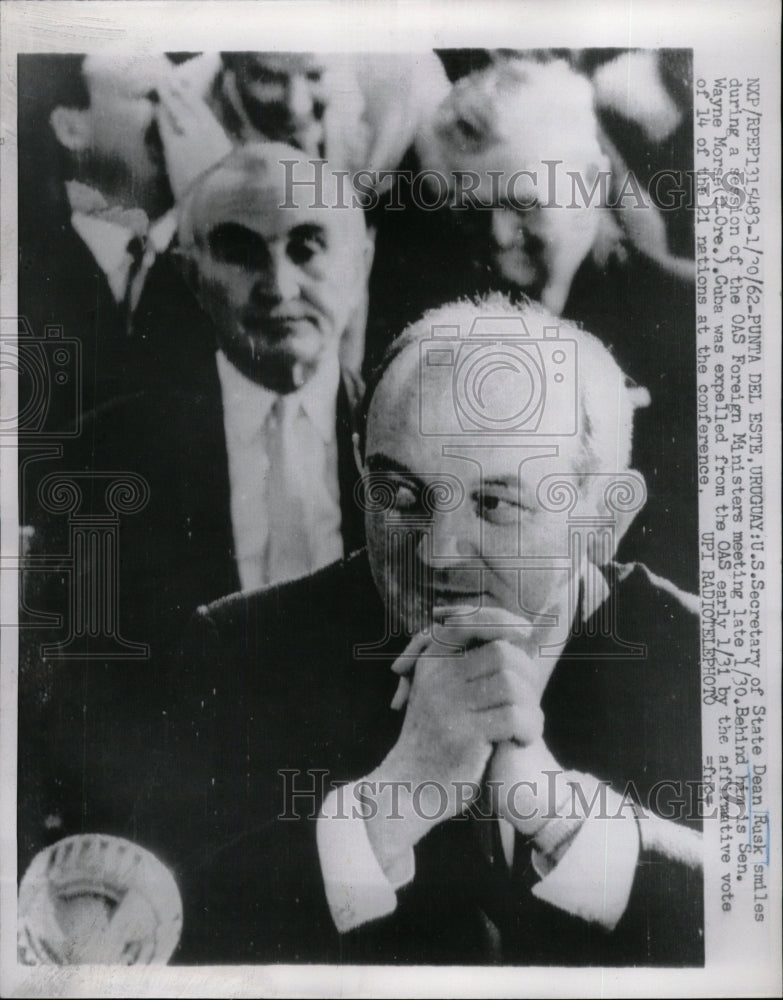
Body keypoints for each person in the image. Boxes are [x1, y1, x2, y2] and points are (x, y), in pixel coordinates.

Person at [153, 294, 703, 965]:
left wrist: (566, 819)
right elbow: (150, 943)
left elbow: (763, 933)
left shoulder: (708, 662)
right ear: (360, 468)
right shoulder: (241, 652)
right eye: (401, 496)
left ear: (604, 520)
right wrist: (391, 804)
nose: (438, 551)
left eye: (495, 503)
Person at [18, 144, 374, 874]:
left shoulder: (415, 440)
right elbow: (78, 702)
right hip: (186, 846)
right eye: (239, 252)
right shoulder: (103, 458)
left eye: (308, 246)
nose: (278, 287)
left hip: (381, 834)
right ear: (190, 275)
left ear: (361, 260)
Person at [17, 53, 214, 433]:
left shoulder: (206, 261)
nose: (177, 116)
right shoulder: (24, 275)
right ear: (71, 128)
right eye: (152, 95)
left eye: (183, 94)